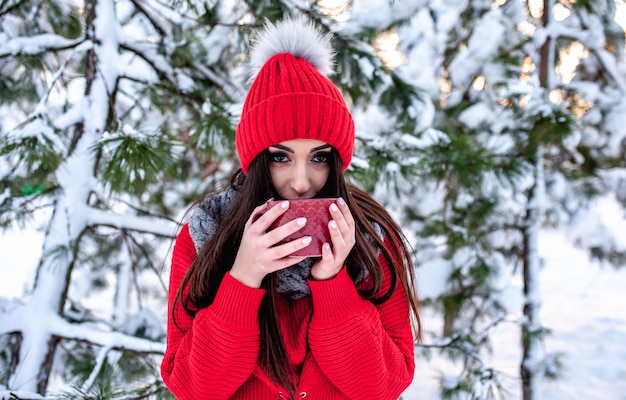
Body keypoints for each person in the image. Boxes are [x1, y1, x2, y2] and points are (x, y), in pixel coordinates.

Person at [161, 18, 422, 400]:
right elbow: (192, 387)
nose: (301, 181)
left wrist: (333, 283)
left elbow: (382, 387)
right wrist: (243, 279)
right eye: (281, 157)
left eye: (318, 157)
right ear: (255, 162)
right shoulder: (206, 235)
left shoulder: (369, 239)